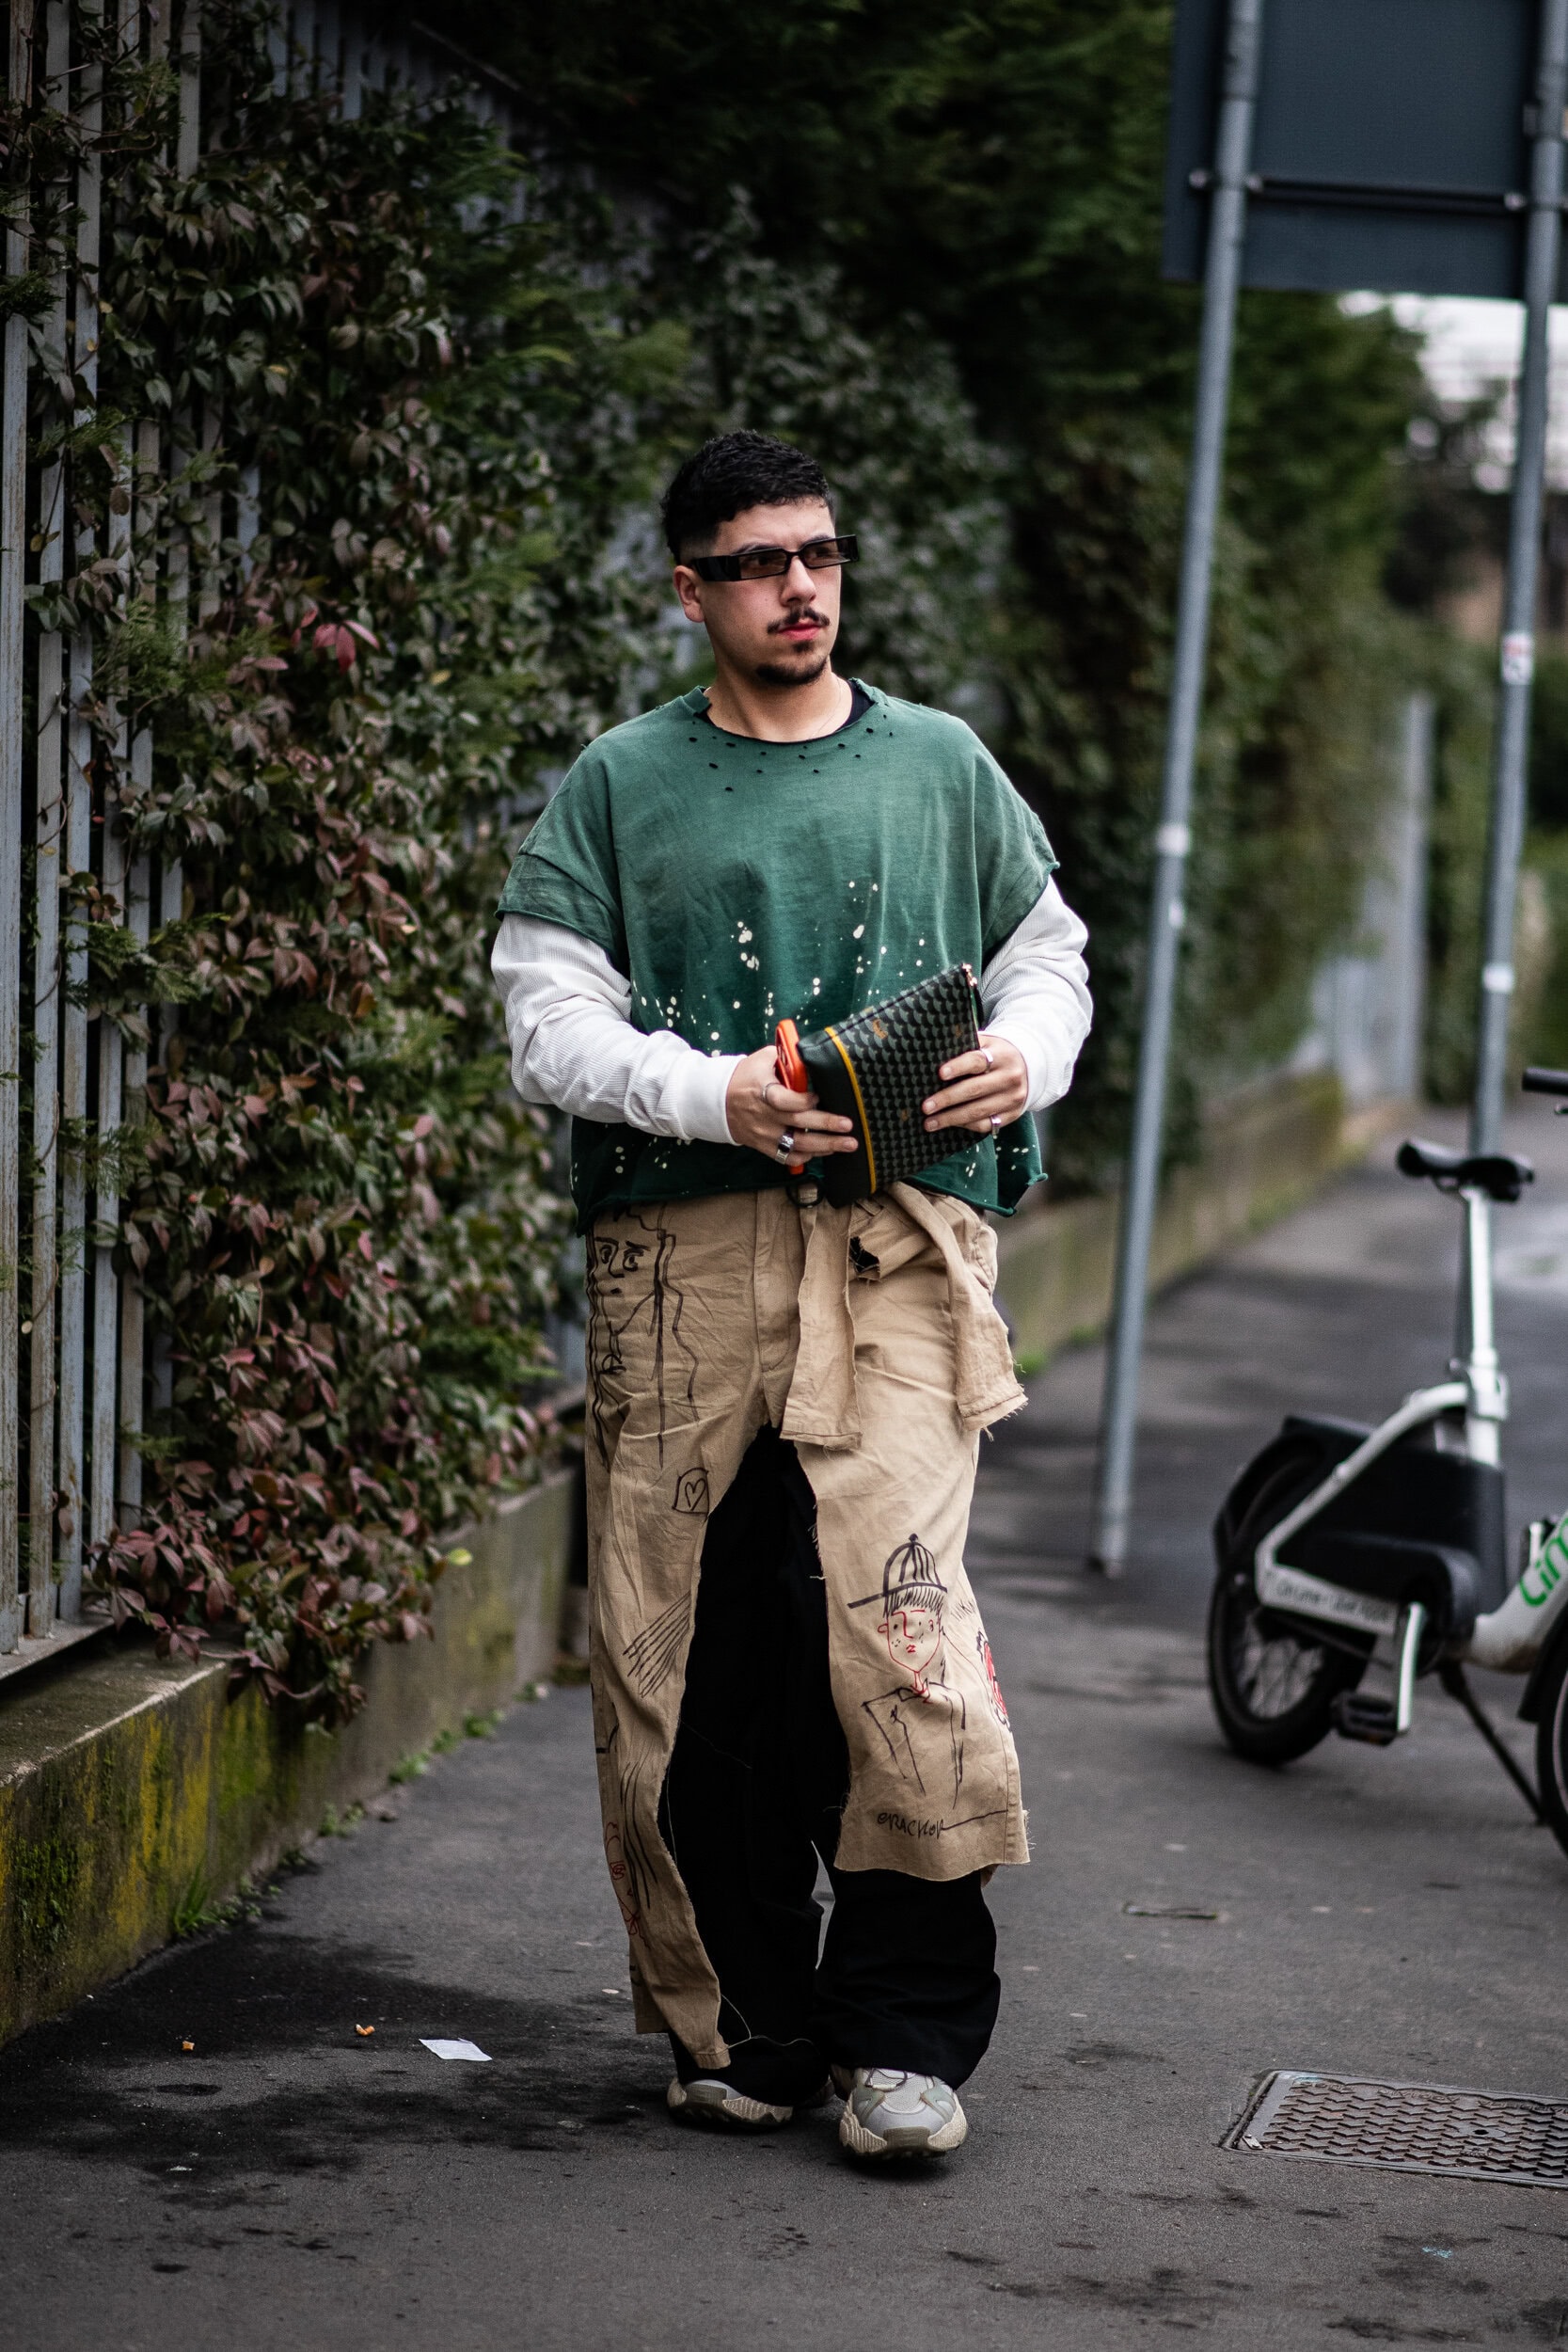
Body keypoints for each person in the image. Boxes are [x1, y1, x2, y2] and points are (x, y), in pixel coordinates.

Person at [492, 430, 1091, 2162]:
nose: (801, 587)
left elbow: (1050, 953)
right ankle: (743, 2024)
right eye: (759, 563)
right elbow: (545, 1018)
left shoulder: (941, 765)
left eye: (819, 553)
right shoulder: (622, 780)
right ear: (692, 590)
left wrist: (1019, 1061)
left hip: (902, 1247)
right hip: (682, 1262)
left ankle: (907, 2044)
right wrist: (715, 1096)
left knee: (902, 1630)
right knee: (698, 1653)